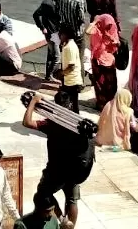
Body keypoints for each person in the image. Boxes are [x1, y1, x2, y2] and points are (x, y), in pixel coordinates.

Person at [23, 94, 93, 229]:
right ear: (71, 105)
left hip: (56, 170)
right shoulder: (78, 124)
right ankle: (70, 226)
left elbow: (27, 122)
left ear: (55, 106)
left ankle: (61, 221)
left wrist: (33, 102)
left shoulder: (52, 124)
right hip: (75, 169)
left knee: (43, 192)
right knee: (72, 199)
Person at [86, 14, 120, 107]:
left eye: (110, 25)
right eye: (107, 24)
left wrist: (111, 39)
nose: (109, 27)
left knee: (110, 84)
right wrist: (95, 21)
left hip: (109, 62)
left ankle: (110, 103)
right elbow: (87, 31)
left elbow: (117, 44)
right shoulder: (96, 30)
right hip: (98, 61)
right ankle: (101, 103)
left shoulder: (112, 30)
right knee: (99, 84)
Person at [33, 0, 63, 81]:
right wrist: (42, 27)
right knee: (57, 57)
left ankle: (48, 76)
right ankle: (51, 75)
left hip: (56, 32)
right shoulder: (47, 3)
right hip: (51, 32)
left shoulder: (56, 2)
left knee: (51, 55)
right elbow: (36, 15)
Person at [55, 27, 84, 113]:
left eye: (61, 34)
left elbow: (72, 67)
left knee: (72, 105)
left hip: (72, 81)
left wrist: (61, 73)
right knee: (70, 103)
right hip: (68, 80)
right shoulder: (66, 45)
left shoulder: (70, 47)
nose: (59, 35)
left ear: (66, 35)